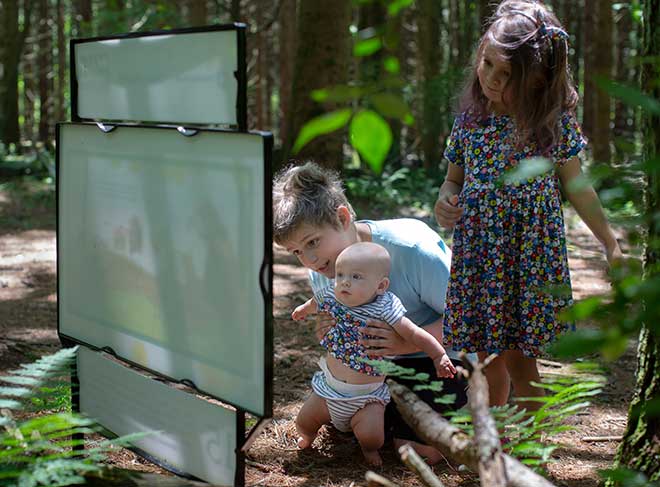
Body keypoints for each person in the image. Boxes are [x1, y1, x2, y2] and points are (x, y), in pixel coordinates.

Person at [434, 0, 623, 412]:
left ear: (538, 80)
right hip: (480, 257)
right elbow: (453, 179)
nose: (491, 80)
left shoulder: (549, 125)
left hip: (527, 257)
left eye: (507, 76)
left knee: (521, 362)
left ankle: (532, 453)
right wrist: (444, 202)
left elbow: (577, 185)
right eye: (487, 65)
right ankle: (493, 448)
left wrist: (609, 241)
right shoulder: (469, 121)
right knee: (483, 361)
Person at [273, 161, 468, 465]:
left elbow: (469, 319)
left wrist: (405, 344)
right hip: (372, 372)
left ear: (342, 216)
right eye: (297, 251)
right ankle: (384, 419)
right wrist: (328, 327)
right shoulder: (324, 266)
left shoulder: (412, 247)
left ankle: (465, 408)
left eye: (312, 242)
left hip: (439, 357)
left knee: (420, 451)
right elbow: (338, 316)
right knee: (358, 429)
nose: (309, 260)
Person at [291, 241, 456, 466]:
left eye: (356, 277)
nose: (345, 281)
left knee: (372, 436)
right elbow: (315, 302)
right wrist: (303, 310)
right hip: (328, 390)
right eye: (340, 275)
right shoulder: (333, 294)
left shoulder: (385, 308)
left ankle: (369, 452)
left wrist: (438, 356)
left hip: (367, 397)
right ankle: (307, 437)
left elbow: (415, 334)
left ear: (381, 286)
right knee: (304, 421)